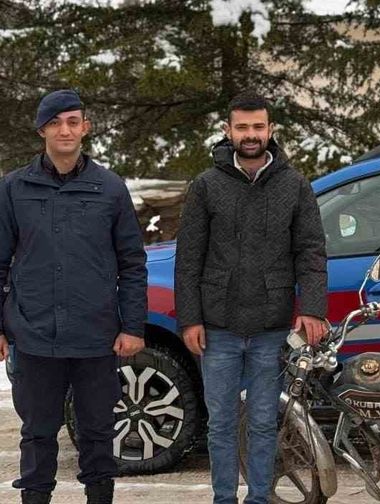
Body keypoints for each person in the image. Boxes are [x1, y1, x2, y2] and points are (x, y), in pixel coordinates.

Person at [175, 92, 328, 504]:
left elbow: (310, 251)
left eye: (258, 127)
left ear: (270, 130)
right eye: (242, 127)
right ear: (228, 131)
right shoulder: (207, 186)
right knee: (222, 424)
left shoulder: (294, 185)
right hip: (218, 326)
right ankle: (224, 499)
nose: (250, 135)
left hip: (271, 324)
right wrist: (190, 319)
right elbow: (188, 258)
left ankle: (258, 498)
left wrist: (312, 308)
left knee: (263, 422)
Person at [0, 89, 148, 504]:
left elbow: (132, 263)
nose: (64, 130)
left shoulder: (110, 188)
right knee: (38, 433)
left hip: (95, 335)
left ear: (85, 128)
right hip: (33, 335)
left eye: (72, 121)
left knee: (98, 432)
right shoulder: (13, 188)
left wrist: (132, 326)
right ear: (42, 130)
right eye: (55, 123)